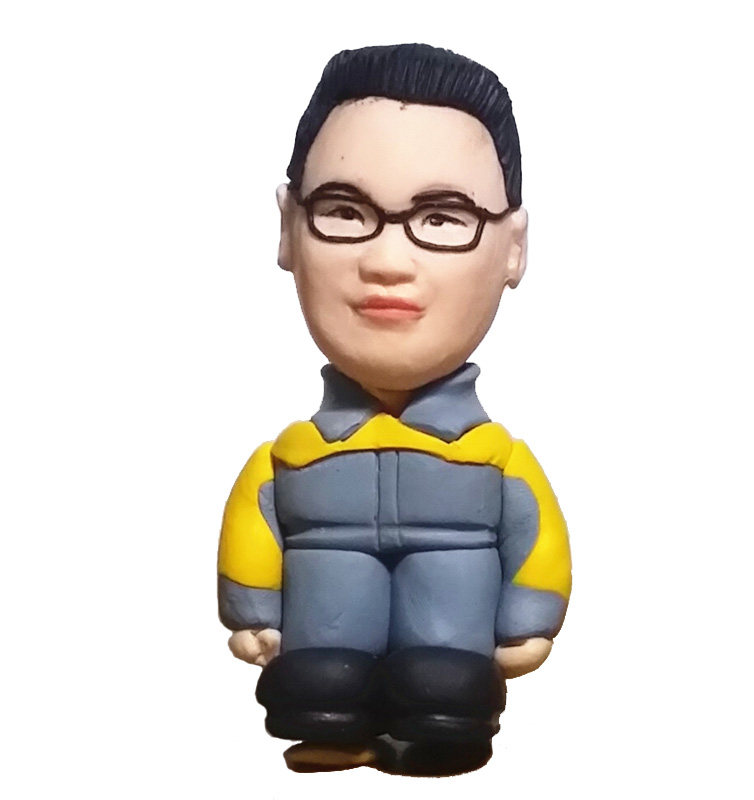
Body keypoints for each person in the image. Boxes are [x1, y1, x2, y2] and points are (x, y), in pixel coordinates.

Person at [217, 43, 571, 772]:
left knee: (446, 677)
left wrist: (528, 619)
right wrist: (253, 610)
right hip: (324, 616)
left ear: (513, 247)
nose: (385, 261)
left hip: (455, 619)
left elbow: (535, 534)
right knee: (320, 673)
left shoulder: (493, 458)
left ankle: (444, 723)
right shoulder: (295, 456)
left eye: (442, 219)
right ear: (288, 228)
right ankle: (328, 719)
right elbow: (256, 519)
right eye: (344, 212)